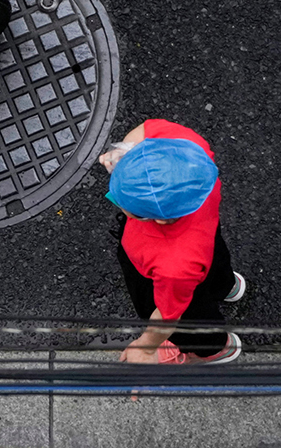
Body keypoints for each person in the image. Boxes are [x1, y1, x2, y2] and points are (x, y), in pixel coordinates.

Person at [98, 119, 245, 365]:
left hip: (173, 276)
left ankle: (214, 349)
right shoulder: (189, 149)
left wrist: (145, 347)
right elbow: (147, 128)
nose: (118, 204)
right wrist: (124, 153)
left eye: (127, 207)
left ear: (162, 221)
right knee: (215, 259)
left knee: (191, 317)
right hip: (203, 238)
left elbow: (167, 314)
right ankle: (226, 286)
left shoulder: (173, 265)